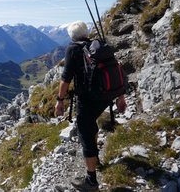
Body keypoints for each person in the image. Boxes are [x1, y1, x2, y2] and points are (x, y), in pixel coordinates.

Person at [54, 20, 126, 191]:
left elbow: (65, 79)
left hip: (88, 99)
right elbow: (115, 71)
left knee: (85, 133)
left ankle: (91, 180)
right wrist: (120, 97)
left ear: (71, 37)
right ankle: (96, 159)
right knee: (91, 124)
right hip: (105, 96)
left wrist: (59, 101)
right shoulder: (98, 46)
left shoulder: (73, 49)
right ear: (86, 33)